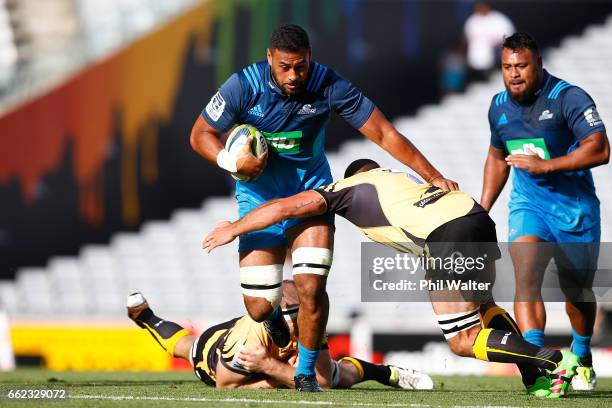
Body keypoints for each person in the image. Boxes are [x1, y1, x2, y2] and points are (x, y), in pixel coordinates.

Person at [190, 23, 457, 391]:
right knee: (259, 307)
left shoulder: (329, 84)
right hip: (258, 199)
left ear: (310, 58)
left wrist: (433, 175)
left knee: (312, 287)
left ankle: (306, 374)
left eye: (300, 66)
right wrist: (232, 163)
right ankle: (275, 325)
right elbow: (199, 134)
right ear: (270, 59)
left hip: (311, 194)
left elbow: (383, 133)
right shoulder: (243, 86)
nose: (294, 75)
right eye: (285, 66)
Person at [204, 159, 584, 398]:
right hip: (474, 216)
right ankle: (535, 377)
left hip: (447, 234)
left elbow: (287, 206)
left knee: (462, 340)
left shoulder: (348, 188)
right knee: (484, 307)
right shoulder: (397, 179)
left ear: (354, 176)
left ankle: (548, 358)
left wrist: (235, 228)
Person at [480, 32, 609, 391]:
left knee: (577, 292)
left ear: (538, 64)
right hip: (528, 203)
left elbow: (600, 149)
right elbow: (496, 155)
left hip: (574, 211)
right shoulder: (498, 105)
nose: (514, 74)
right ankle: (539, 366)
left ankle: (581, 357)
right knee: (526, 275)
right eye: (507, 67)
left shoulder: (568, 97)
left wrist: (547, 166)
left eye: (521, 66)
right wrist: (483, 208)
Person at [125, 281, 433, 390]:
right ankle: (147, 318)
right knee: (190, 347)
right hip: (218, 351)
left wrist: (274, 368)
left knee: (337, 378)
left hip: (268, 355)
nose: (305, 326)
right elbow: (225, 385)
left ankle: (386, 373)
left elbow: (322, 380)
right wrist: (275, 372)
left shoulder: (310, 316)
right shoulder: (249, 341)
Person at [464, 2, 514, 82]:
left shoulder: (498, 19)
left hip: (497, 55)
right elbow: (467, 38)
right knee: (479, 78)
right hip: (477, 57)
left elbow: (509, 34)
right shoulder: (472, 20)